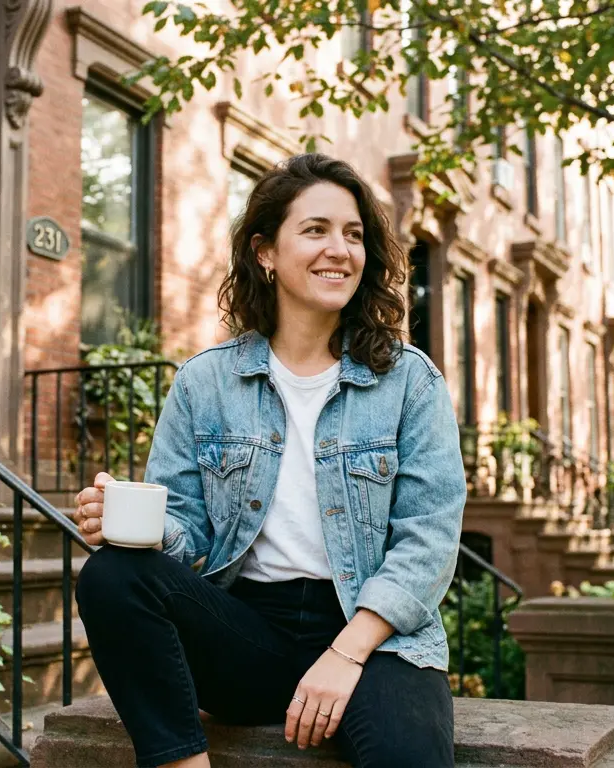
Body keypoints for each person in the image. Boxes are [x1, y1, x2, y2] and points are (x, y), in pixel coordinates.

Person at [71, 153, 466, 768]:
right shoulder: (207, 382)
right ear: (266, 253)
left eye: (354, 234)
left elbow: (430, 537)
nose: (340, 249)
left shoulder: (409, 381)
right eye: (315, 230)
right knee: (112, 573)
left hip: (375, 636)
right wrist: (127, 527)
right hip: (249, 634)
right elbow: (187, 530)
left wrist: (346, 652)